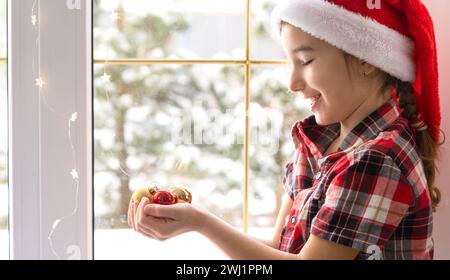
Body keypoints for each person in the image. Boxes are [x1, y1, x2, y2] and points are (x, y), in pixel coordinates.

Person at [128, 0, 443, 260]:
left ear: (367, 59)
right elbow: (280, 249)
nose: (292, 83)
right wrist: (194, 221)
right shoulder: (320, 142)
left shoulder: (377, 159)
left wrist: (202, 223)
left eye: (305, 60)